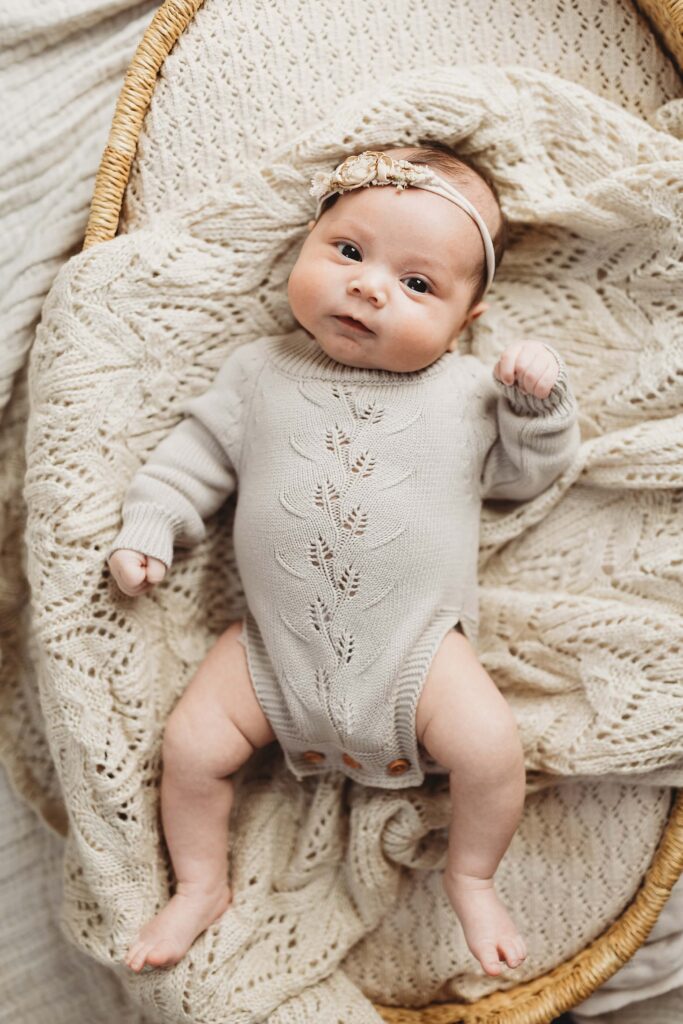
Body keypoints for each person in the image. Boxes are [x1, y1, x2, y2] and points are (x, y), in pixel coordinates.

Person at [107, 145, 580, 977]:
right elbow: (194, 457)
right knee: (190, 746)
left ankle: (471, 876)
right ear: (305, 246)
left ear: (465, 323)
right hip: (267, 653)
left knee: (489, 749)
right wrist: (151, 525)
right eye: (350, 253)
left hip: (417, 650)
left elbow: (519, 481)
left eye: (418, 284)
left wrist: (536, 407)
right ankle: (200, 884)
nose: (369, 287)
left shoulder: (468, 393)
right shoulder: (255, 374)